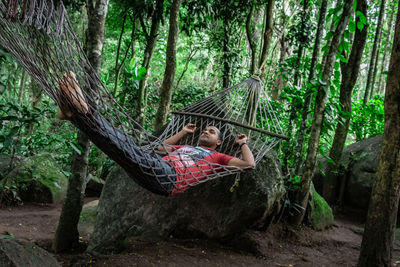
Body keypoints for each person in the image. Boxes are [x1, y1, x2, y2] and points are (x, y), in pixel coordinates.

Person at [56, 72, 255, 195]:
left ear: (218, 142)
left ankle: (84, 112)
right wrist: (183, 132)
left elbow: (248, 164)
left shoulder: (218, 157)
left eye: (211, 132)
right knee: (118, 148)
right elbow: (161, 147)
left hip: (170, 178)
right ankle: (73, 114)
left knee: (124, 145)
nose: (205, 131)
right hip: (156, 170)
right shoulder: (186, 147)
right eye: (205, 129)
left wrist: (243, 143)